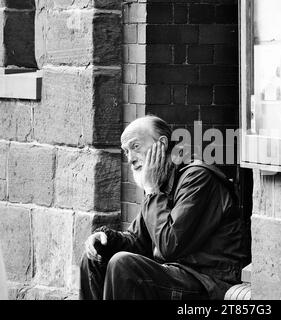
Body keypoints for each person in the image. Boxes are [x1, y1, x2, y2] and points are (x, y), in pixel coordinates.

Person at [79, 115, 250, 300]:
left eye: (135, 147)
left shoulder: (197, 178)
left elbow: (170, 244)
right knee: (94, 258)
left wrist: (152, 191)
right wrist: (106, 240)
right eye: (126, 151)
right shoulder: (161, 181)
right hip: (175, 274)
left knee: (123, 265)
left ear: (161, 144)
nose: (130, 159)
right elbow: (137, 241)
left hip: (207, 282)